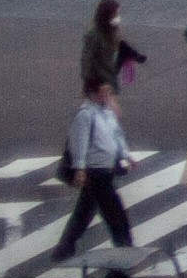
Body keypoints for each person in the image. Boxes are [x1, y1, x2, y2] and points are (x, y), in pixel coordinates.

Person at [48, 75, 135, 261]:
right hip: (96, 173)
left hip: (106, 170)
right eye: (103, 92)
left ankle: (64, 248)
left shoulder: (106, 113)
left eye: (109, 92)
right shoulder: (85, 115)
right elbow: (78, 143)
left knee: (84, 212)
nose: (107, 96)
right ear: (93, 94)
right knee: (114, 212)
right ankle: (125, 247)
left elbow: (117, 137)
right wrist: (80, 168)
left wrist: (127, 155)